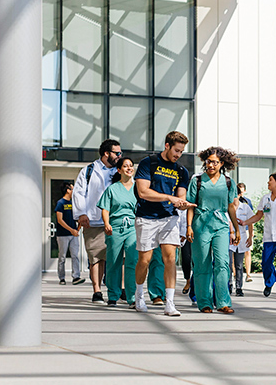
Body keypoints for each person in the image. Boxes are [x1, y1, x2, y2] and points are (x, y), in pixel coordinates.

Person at [134, 131, 192, 316]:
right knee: (145, 260)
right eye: (176, 150)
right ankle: (139, 296)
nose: (178, 155)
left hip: (169, 218)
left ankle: (170, 303)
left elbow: (180, 199)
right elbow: (143, 192)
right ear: (167, 145)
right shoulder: (148, 163)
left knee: (170, 259)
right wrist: (169, 197)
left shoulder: (182, 171)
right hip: (147, 217)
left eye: (181, 152)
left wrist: (183, 205)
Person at [186, 146, 241, 314]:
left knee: (223, 263)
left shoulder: (228, 182)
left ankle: (223, 302)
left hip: (221, 226)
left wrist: (236, 229)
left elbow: (231, 207)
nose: (210, 165)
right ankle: (204, 302)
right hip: (200, 225)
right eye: (208, 161)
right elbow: (191, 206)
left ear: (221, 163)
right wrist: (188, 226)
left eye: (214, 162)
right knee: (202, 264)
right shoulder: (197, 180)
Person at [73, 139, 122, 303]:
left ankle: (120, 288)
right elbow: (79, 192)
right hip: (94, 219)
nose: (119, 156)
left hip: (116, 220)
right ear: (106, 153)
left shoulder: (120, 170)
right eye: (117, 153)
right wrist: (81, 213)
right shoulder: (88, 170)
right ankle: (97, 291)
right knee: (96, 257)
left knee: (118, 257)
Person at [97, 157, 137, 307]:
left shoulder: (138, 189)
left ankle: (132, 296)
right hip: (115, 227)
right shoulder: (112, 189)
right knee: (114, 261)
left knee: (133, 260)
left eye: (131, 166)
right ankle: (113, 295)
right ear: (119, 170)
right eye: (125, 166)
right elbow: (105, 209)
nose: (129, 168)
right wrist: (106, 223)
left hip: (133, 227)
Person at [55, 182, 85, 286]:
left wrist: (77, 229)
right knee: (62, 257)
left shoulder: (74, 203)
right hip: (63, 235)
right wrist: (71, 230)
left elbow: (78, 218)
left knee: (75, 256)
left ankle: (76, 276)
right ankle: (62, 278)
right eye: (73, 188)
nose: (74, 190)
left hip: (73, 234)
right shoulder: (61, 203)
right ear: (68, 190)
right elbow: (60, 220)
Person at [229, 196, 253, 296]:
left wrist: (250, 237)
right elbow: (228, 221)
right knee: (229, 263)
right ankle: (229, 284)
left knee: (239, 265)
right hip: (229, 237)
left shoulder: (245, 207)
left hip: (242, 237)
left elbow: (251, 222)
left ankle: (239, 287)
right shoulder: (227, 206)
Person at [237, 183, 254, 283]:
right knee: (235, 253)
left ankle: (248, 274)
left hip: (246, 229)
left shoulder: (247, 202)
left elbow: (251, 218)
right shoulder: (231, 203)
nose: (241, 193)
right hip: (235, 230)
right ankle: (236, 275)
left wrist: (252, 233)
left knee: (247, 251)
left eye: (242, 191)